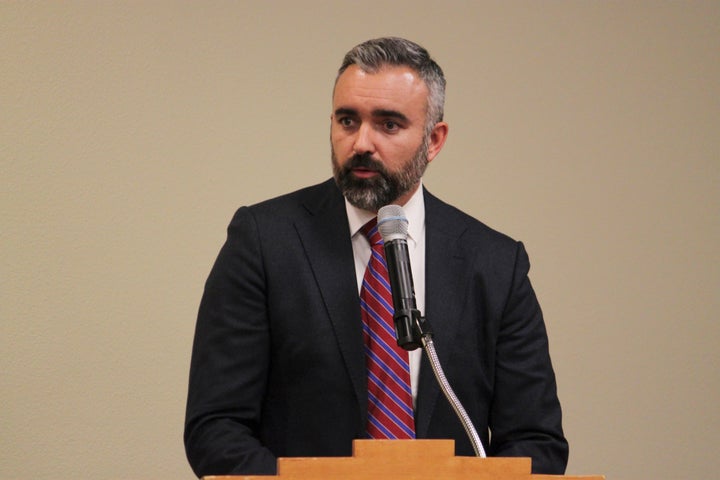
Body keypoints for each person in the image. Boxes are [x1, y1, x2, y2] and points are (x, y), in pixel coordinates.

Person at [184, 37, 568, 477]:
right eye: (348, 120)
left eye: (388, 125)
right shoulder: (264, 241)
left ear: (433, 140)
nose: (361, 142)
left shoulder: (496, 264)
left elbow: (536, 442)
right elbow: (216, 428)